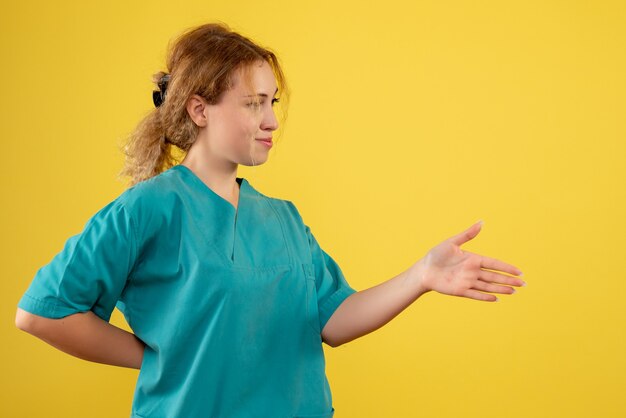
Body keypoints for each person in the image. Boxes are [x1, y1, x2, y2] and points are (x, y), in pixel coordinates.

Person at [15, 22, 525, 418]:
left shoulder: (283, 219)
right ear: (199, 110)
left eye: (272, 102)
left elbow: (333, 320)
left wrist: (422, 276)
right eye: (254, 103)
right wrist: (154, 357)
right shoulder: (149, 208)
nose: (272, 120)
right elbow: (41, 312)